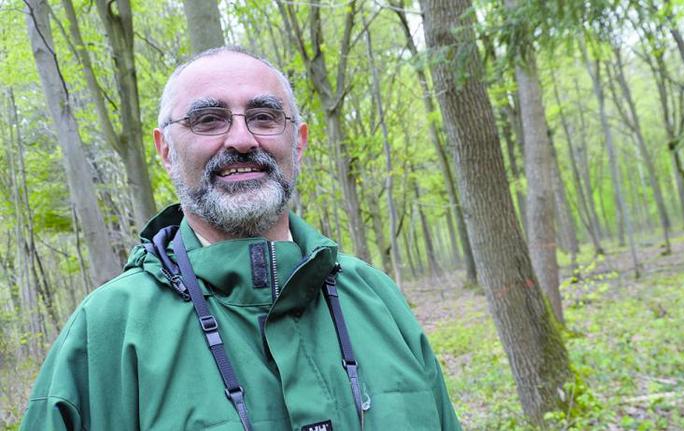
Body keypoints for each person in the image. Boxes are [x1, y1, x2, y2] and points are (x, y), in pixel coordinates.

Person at [21, 46, 461, 431]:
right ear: (165, 149)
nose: (242, 139)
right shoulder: (108, 331)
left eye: (264, 117)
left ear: (300, 141)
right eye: (209, 120)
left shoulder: (375, 298)